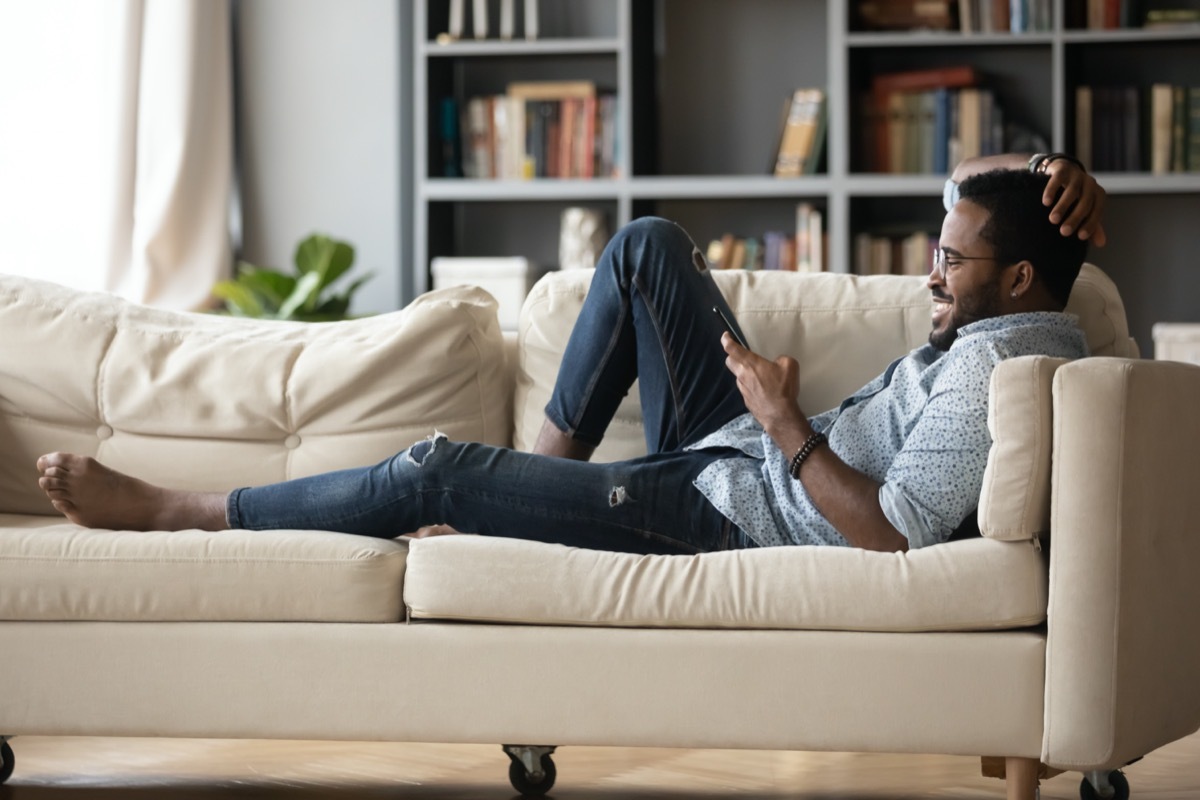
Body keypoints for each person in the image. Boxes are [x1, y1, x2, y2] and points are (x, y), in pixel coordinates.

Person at [35, 153, 1107, 555]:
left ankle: (175, 508)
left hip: (734, 511)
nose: (931, 274)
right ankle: (545, 489)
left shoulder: (989, 371)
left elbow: (898, 534)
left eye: (951, 262)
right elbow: (977, 183)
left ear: (1017, 280)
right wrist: (1049, 164)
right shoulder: (1005, 318)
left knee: (434, 468)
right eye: (933, 253)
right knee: (644, 248)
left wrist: (787, 425)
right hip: (737, 456)